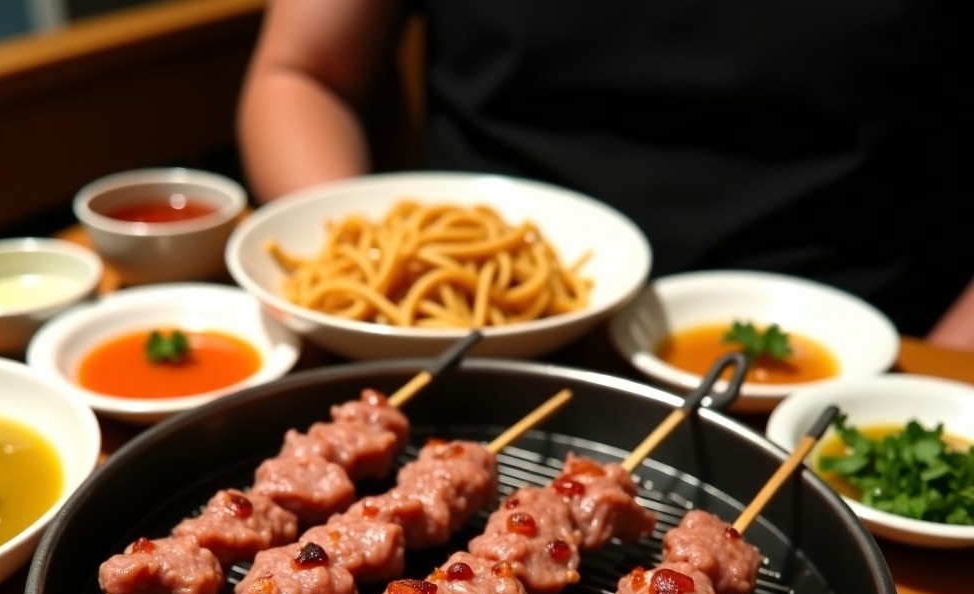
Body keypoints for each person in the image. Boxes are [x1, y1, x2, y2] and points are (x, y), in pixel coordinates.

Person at [236, 0, 974, 348]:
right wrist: (363, 287)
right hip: (473, 340)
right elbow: (302, 72)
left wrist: (932, 379)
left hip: (848, 343)